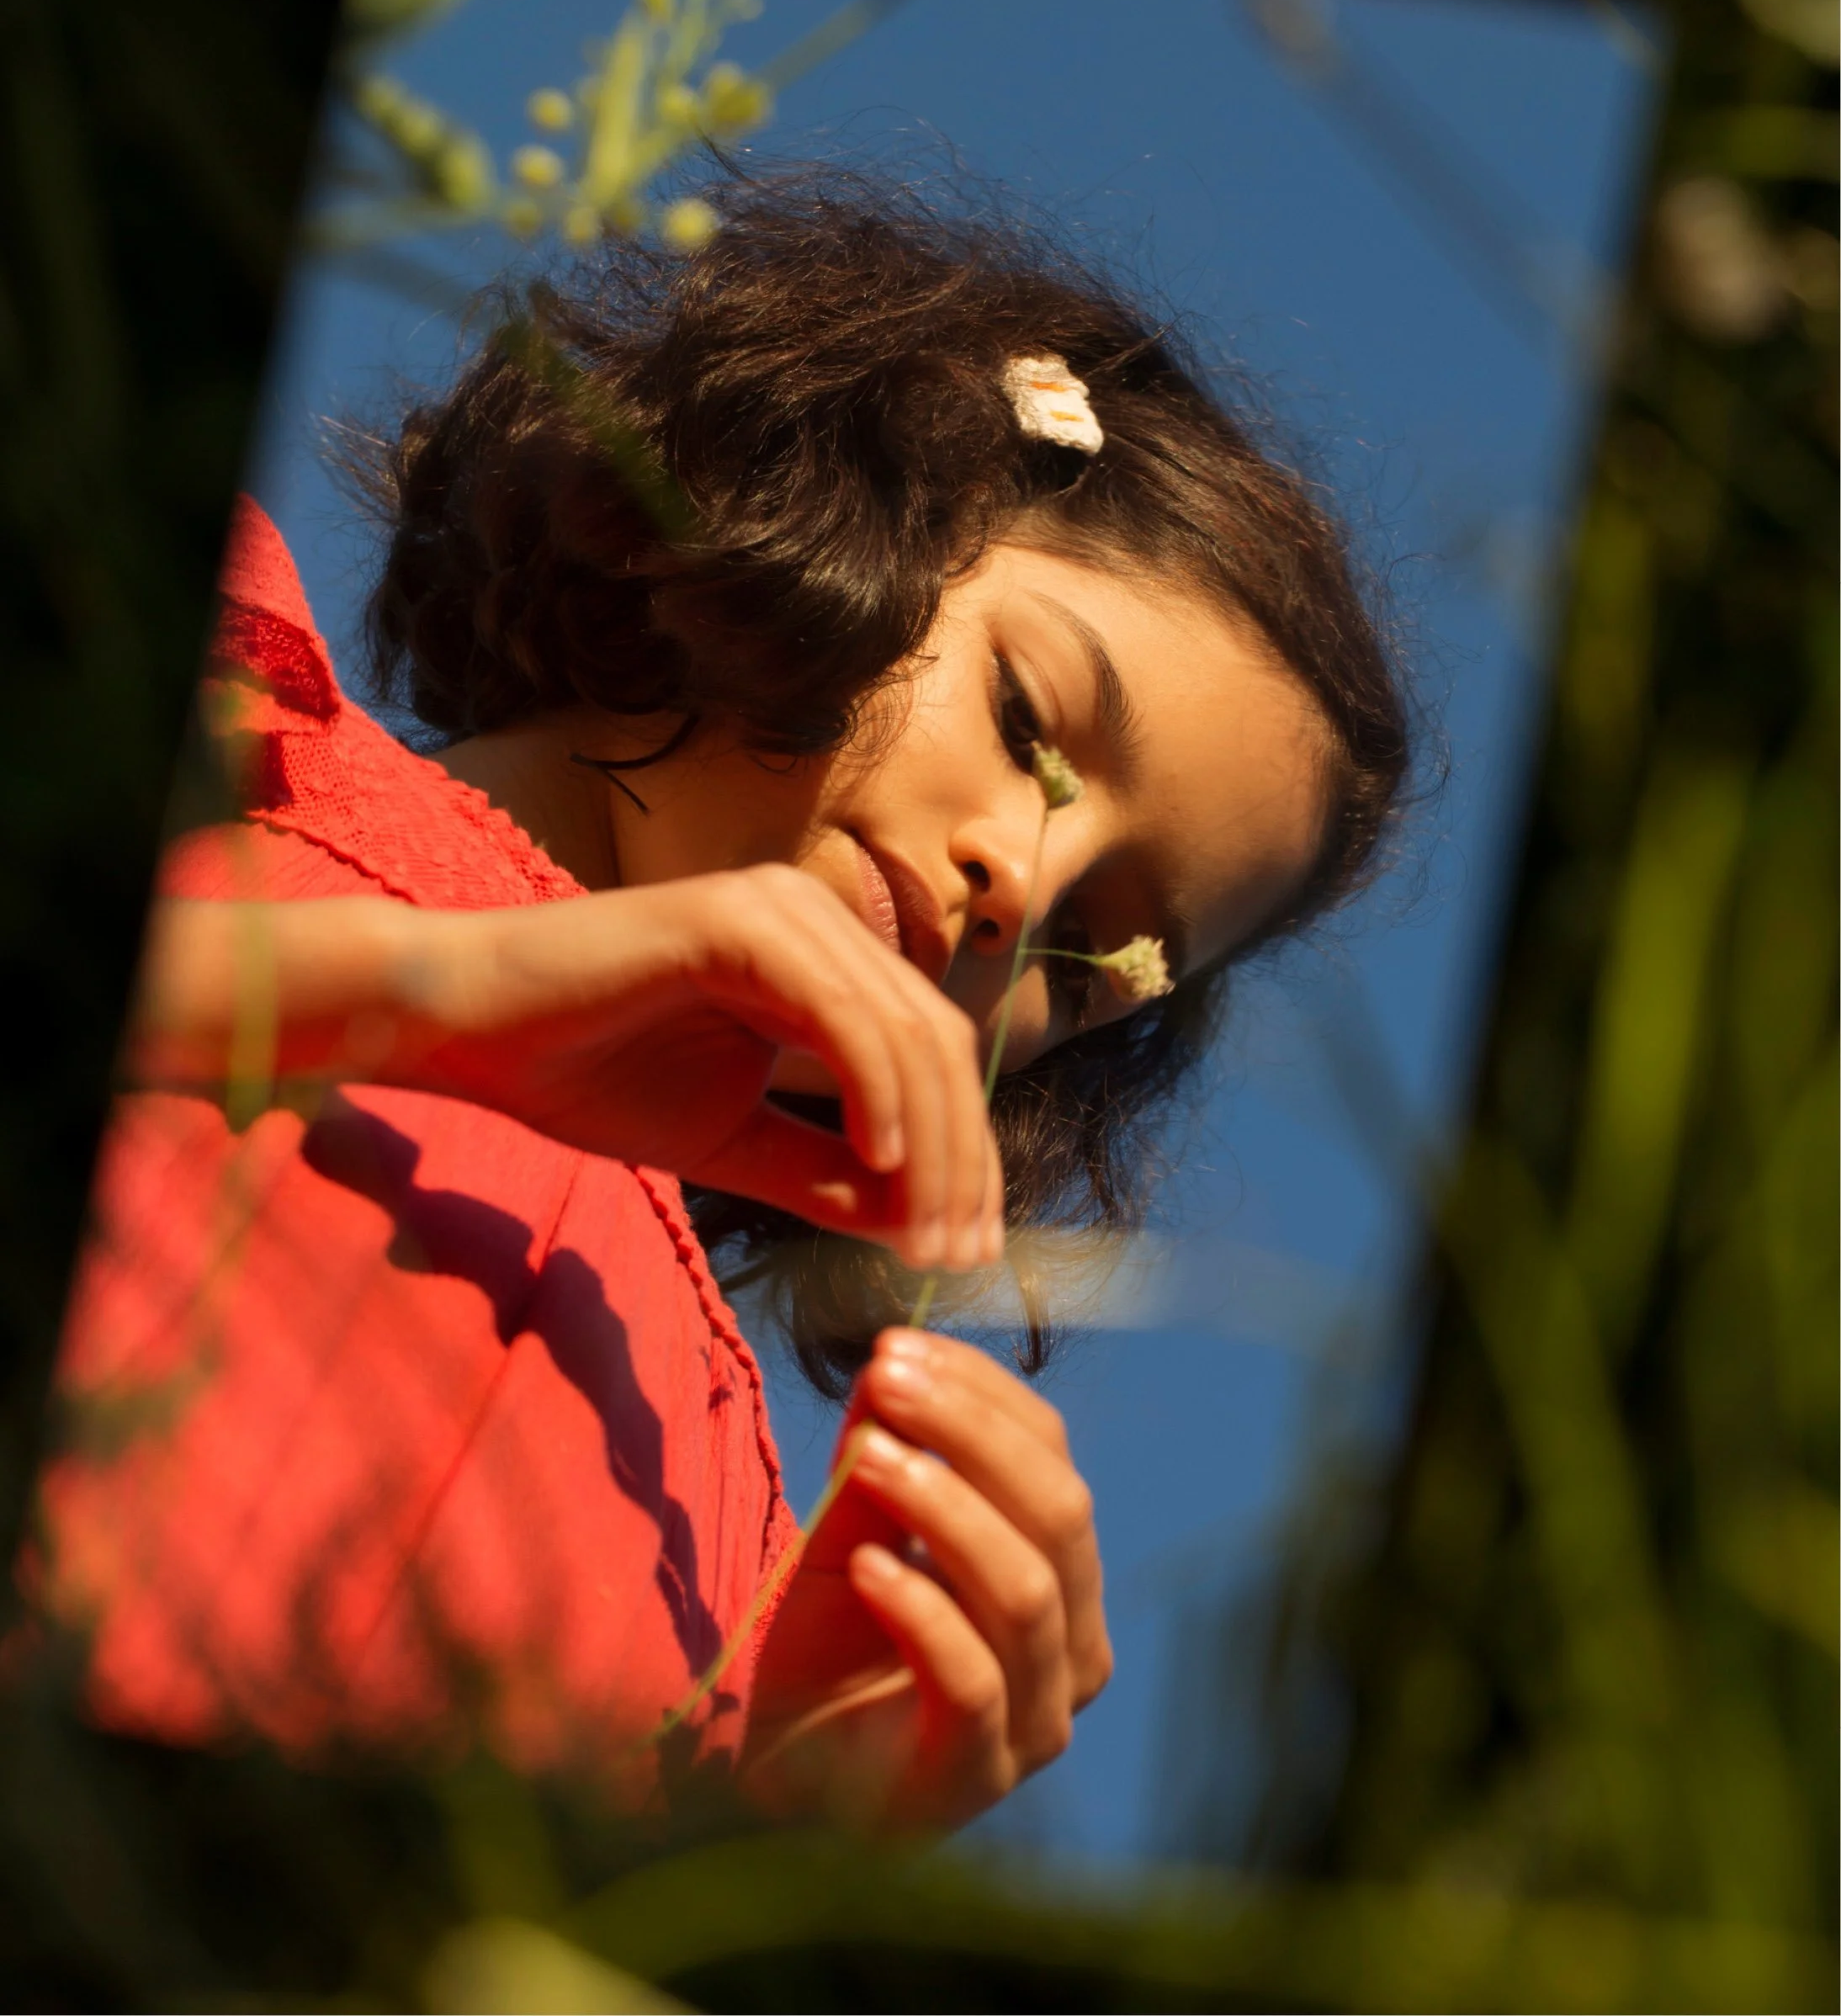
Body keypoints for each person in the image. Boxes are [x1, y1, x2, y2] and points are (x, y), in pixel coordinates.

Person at [25, 173, 1410, 1832]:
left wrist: (788, 1814)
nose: (1019, 889)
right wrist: (416, 985)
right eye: (1030, 719)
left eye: (1103, 955)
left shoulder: (733, 1532)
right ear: (846, 478)